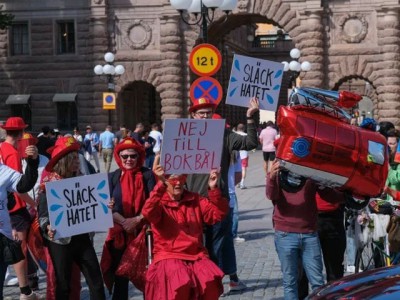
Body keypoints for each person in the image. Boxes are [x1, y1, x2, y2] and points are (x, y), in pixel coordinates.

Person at [185, 97, 259, 292]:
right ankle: (200, 281)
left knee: (216, 243)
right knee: (194, 244)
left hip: (217, 200)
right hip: (190, 201)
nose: (205, 116)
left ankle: (213, 284)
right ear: (193, 115)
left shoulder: (225, 135)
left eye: (208, 112)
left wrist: (251, 117)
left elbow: (251, 142)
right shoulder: (185, 135)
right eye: (201, 113)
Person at [142, 164, 229, 300]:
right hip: (168, 255)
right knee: (180, 282)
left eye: (181, 179)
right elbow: (148, 212)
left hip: (196, 255)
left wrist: (213, 188)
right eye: (172, 180)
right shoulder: (159, 201)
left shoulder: (195, 199)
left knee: (210, 281)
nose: (177, 183)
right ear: (165, 181)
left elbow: (217, 214)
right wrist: (159, 186)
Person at [37, 137, 106, 300]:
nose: (78, 161)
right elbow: (42, 216)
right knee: (63, 284)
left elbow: (94, 207)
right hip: (60, 241)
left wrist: (104, 205)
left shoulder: (84, 182)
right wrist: (47, 227)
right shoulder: (49, 185)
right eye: (73, 158)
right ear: (65, 161)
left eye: (77, 157)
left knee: (96, 281)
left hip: (82, 237)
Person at [267, 160, 342, 300]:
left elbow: (330, 196)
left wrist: (344, 191)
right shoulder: (279, 168)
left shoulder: (309, 168)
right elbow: (271, 195)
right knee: (290, 282)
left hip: (309, 233)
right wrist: (271, 177)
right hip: (285, 233)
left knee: (318, 283)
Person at [100, 137, 156, 299]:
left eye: (133, 156)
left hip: (144, 232)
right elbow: (106, 204)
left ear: (139, 156)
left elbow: (153, 201)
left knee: (148, 276)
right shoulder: (112, 176)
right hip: (120, 232)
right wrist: (125, 222)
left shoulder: (147, 175)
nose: (129, 159)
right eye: (125, 156)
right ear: (119, 157)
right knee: (120, 276)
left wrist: (137, 219)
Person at [0, 117, 39, 297]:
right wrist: (34, 204)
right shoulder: (12, 153)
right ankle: (25, 289)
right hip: (14, 212)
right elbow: (19, 189)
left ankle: (25, 288)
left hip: (5, 224)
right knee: (20, 248)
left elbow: (20, 184)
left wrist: (32, 162)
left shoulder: (2, 156)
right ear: (22, 132)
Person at [235, 123, 249, 189]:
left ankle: (237, 183)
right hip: (244, 154)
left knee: (236, 169)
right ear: (244, 128)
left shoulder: (234, 134)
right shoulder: (246, 135)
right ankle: (242, 183)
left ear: (237, 128)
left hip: (236, 154)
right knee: (243, 168)